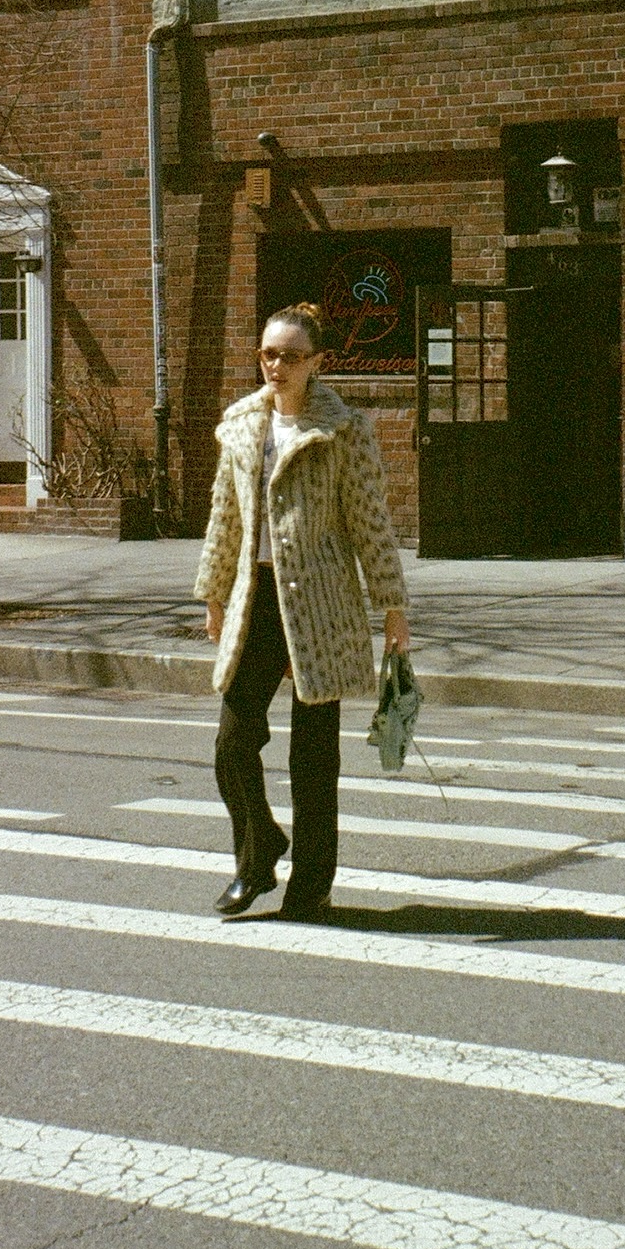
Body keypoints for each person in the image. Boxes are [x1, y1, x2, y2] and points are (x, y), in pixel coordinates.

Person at [194, 302, 410, 921]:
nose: (277, 365)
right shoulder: (242, 426)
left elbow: (370, 523)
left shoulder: (344, 429)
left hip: (322, 604)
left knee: (314, 758)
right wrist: (214, 594)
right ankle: (257, 851)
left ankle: (311, 884)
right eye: (268, 353)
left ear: (318, 362)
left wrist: (392, 608)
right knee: (233, 741)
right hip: (256, 600)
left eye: (291, 356)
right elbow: (225, 516)